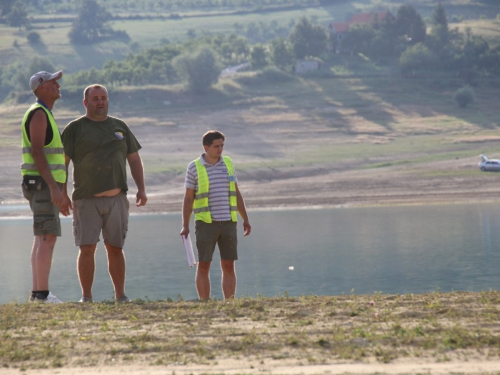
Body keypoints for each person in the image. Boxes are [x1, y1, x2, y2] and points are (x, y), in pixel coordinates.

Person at [61, 84, 147, 303]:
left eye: (104, 98)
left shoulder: (120, 126)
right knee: (87, 247)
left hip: (117, 198)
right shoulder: (75, 128)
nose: (100, 102)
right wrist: (62, 193)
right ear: (86, 103)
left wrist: (142, 188)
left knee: (115, 248)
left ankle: (121, 296)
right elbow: (63, 163)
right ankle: (86, 297)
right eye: (95, 99)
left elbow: (134, 159)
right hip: (86, 199)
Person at [180, 130, 251, 300]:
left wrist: (245, 218)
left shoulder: (228, 163)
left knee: (228, 264)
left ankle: (230, 302)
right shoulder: (194, 167)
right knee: (204, 264)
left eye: (222, 146)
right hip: (206, 223)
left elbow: (236, 191)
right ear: (206, 147)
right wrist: (185, 224)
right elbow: (188, 198)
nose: (220, 149)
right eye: (216, 146)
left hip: (228, 222)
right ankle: (205, 302)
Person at [21, 70, 71, 303]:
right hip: (41, 185)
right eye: (54, 82)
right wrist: (53, 187)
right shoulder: (39, 114)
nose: (58, 85)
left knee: (42, 236)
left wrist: (60, 190)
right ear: (42, 87)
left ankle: (37, 293)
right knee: (46, 236)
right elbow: (38, 152)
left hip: (42, 184)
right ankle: (41, 295)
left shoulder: (44, 113)